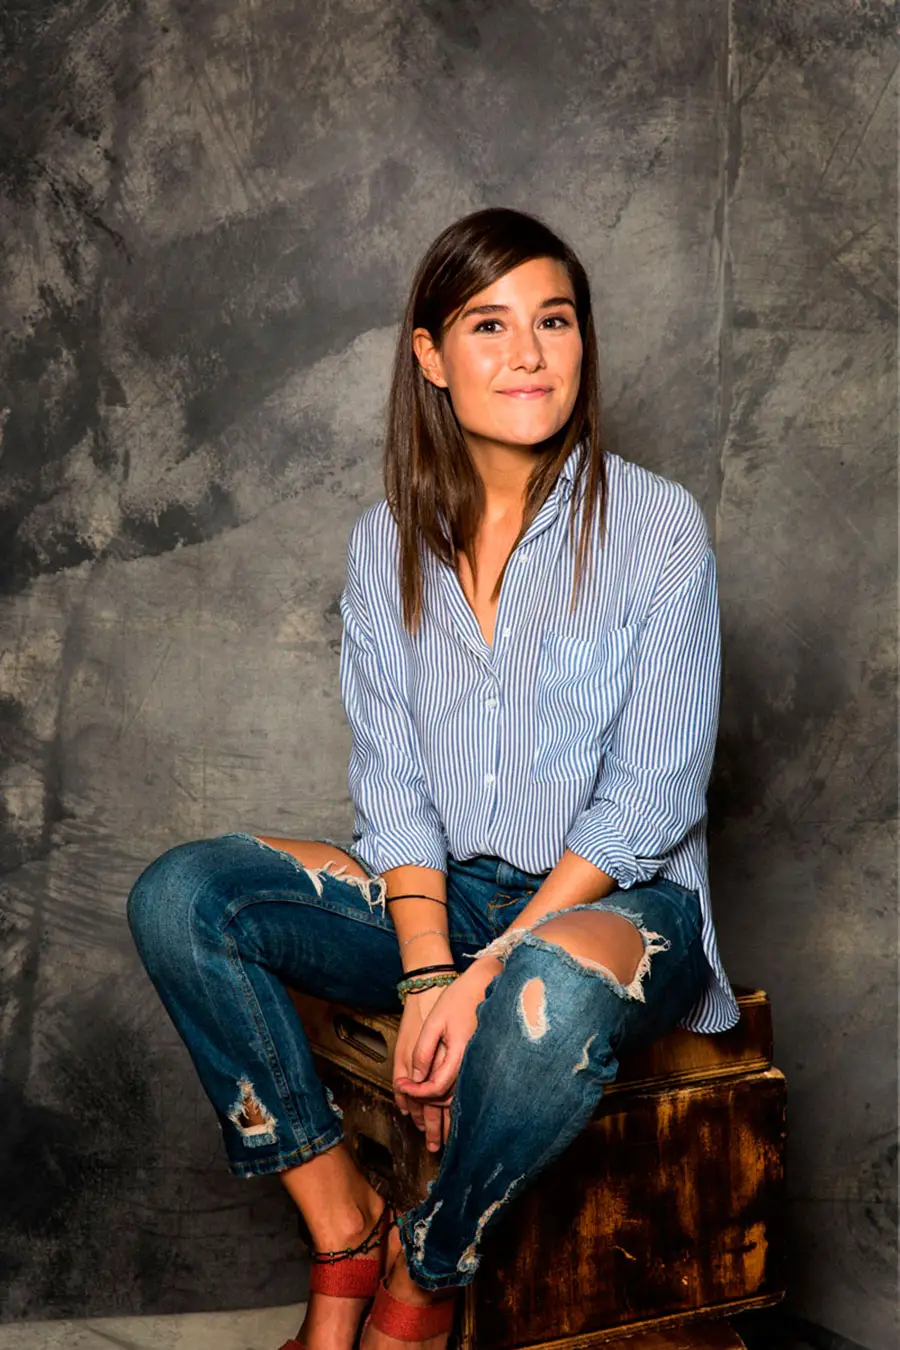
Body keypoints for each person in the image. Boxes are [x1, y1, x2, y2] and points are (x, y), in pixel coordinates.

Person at [127, 206, 740, 1350]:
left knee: (547, 1002)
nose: (529, 353)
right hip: (445, 894)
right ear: (432, 356)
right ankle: (344, 1228)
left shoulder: (659, 527)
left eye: (555, 320)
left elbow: (653, 798)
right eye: (489, 325)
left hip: (615, 904)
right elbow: (397, 787)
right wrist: (425, 976)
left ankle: (428, 1264)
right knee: (181, 896)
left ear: (584, 340)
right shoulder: (385, 543)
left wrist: (484, 977)